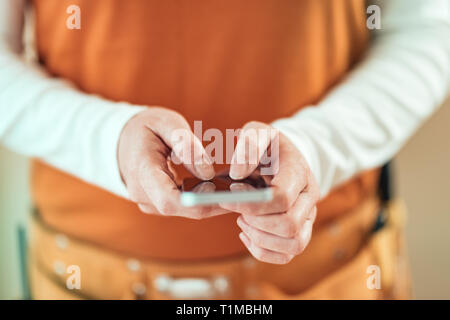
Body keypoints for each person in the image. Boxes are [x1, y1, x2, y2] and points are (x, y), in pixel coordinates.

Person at [0, 0, 449, 299]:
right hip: (84, 278)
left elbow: (427, 27)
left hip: (331, 275)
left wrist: (316, 146)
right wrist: (108, 138)